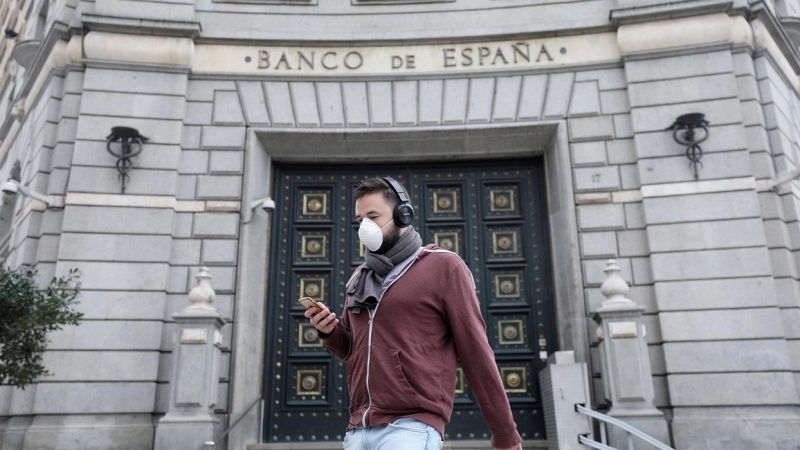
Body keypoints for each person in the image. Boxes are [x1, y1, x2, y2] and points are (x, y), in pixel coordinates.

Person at [305, 177, 523, 450]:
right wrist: (329, 331)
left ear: (402, 215)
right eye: (360, 219)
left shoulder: (445, 267)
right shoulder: (359, 278)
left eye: (373, 216)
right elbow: (352, 349)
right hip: (358, 429)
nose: (365, 227)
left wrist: (504, 432)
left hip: (411, 427)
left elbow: (476, 351)